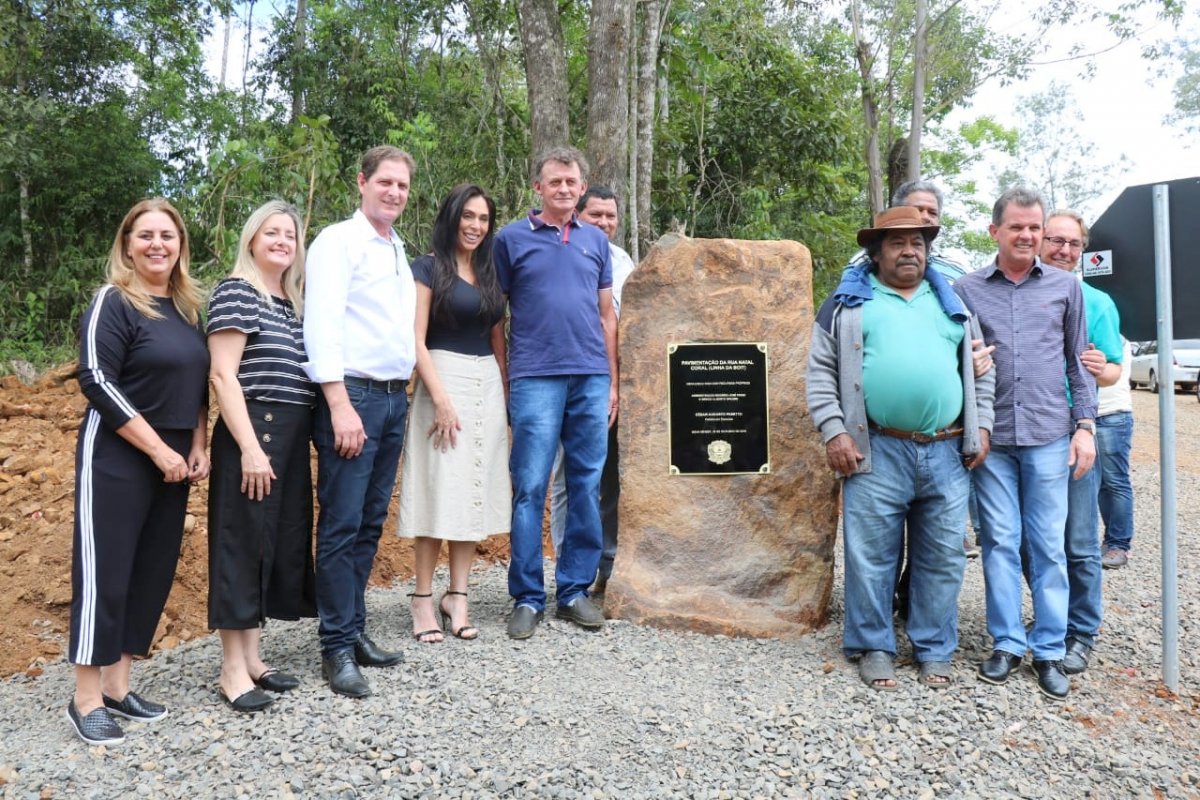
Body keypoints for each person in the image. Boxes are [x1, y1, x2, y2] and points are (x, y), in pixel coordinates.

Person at [807, 206, 995, 690]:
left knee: (943, 556)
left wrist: (984, 427)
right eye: (897, 243)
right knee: (872, 556)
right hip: (876, 448)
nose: (910, 251)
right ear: (876, 252)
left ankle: (934, 649)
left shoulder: (952, 301)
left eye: (918, 242)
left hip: (948, 450)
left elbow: (981, 370)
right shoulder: (848, 303)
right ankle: (873, 645)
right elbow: (820, 374)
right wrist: (835, 431)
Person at [67, 198, 210, 744]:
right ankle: (85, 697)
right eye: (145, 235)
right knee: (106, 572)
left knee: (150, 571)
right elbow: (96, 379)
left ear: (180, 246)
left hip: (174, 461)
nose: (157, 245)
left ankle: (118, 687)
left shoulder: (186, 310)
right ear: (127, 244)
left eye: (167, 236)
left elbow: (198, 385)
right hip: (119, 456)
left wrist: (196, 443)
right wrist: (157, 450)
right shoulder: (115, 301)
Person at [953, 187, 1096, 701]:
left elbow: (1078, 363)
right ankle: (1007, 642)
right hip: (992, 440)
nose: (1029, 236)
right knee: (998, 542)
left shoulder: (1064, 288)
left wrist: (1086, 427)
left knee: (1048, 547)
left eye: (1035, 227)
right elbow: (955, 361)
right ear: (995, 231)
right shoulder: (966, 289)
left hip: (1049, 436)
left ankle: (1050, 649)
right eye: (1017, 227)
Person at [303, 146, 417, 697]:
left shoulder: (397, 247)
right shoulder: (337, 242)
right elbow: (321, 324)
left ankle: (356, 629)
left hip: (394, 400)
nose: (394, 192)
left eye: (402, 185)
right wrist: (339, 402)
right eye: (385, 183)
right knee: (342, 524)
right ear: (361, 183)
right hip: (355, 399)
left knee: (370, 523)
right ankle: (335, 648)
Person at [493, 146, 618, 639]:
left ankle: (572, 591)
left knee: (585, 484)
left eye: (572, 182)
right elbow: (495, 317)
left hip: (590, 377)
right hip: (535, 378)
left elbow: (607, 315)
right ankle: (526, 596)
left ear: (581, 187)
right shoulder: (510, 240)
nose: (564, 189)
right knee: (530, 487)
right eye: (555, 182)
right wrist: (507, 376)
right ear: (538, 188)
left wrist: (610, 382)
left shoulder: (596, 243)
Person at [207, 201, 317, 712]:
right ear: (251, 239)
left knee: (273, 544)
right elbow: (223, 375)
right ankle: (232, 669)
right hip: (254, 433)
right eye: (271, 232)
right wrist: (250, 447)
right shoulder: (237, 291)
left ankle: (253, 658)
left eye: (289, 235)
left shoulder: (291, 299)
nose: (281, 241)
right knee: (241, 544)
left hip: (290, 437)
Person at [398, 184, 510, 643]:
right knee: (438, 488)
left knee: (474, 491)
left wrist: (504, 393)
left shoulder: (490, 270)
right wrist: (440, 396)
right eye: (468, 216)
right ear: (452, 216)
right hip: (441, 379)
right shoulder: (427, 268)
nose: (475, 226)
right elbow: (414, 338)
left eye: (483, 219)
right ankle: (422, 599)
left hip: (485, 383)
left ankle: (457, 596)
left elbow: (497, 338)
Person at [1035, 209, 1123, 676]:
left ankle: (1081, 632)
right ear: (1038, 241)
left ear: (1082, 249)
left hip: (1078, 430)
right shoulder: (1021, 291)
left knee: (1080, 540)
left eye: (1073, 243)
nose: (1064, 250)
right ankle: (1047, 621)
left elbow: (1113, 369)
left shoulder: (1098, 303)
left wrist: (1097, 368)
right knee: (1034, 538)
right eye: (1055, 240)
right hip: (1028, 432)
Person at [547, 185, 637, 598]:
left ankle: (608, 565)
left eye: (611, 216)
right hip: (572, 380)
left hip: (617, 385)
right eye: (596, 214)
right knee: (569, 478)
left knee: (610, 479)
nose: (604, 222)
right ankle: (570, 566)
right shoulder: (564, 254)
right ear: (579, 215)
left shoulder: (625, 263)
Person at [1097, 339, 1135, 570]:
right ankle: (1110, 540)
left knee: (1116, 482)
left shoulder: (1116, 338)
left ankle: (1119, 545)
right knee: (1102, 484)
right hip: (1091, 416)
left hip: (1111, 414)